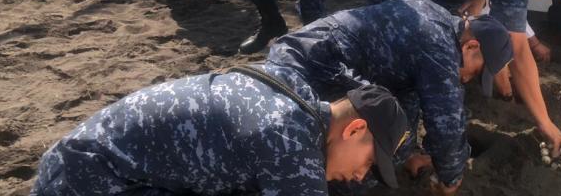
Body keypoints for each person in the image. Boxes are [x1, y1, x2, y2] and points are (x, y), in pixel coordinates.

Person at [264, 0, 561, 196]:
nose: (469, 79)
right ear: (471, 47)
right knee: (358, 166)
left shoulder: (438, 17)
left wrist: (410, 151)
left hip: (314, 56)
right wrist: (451, 180)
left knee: (393, 146)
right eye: (477, 71)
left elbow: (406, 95)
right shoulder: (438, 49)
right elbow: (446, 123)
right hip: (306, 69)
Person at [31, 64, 410, 195]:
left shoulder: (294, 92)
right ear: (354, 129)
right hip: (87, 183)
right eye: (369, 161)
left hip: (79, 161)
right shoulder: (289, 147)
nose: (360, 175)